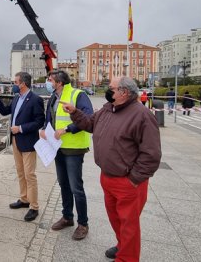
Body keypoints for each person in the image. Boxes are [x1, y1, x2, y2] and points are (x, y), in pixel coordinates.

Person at [61, 76, 161, 262]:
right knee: (116, 219)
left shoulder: (142, 115)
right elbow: (90, 124)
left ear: (124, 92)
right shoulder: (109, 108)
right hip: (108, 176)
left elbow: (151, 154)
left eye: (111, 88)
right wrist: (75, 112)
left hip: (128, 181)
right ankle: (122, 246)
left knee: (128, 224)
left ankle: (126, 258)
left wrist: (133, 179)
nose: (108, 90)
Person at [39, 70, 93, 240]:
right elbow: (50, 118)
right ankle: (67, 217)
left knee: (76, 187)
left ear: (60, 82)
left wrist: (68, 129)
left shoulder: (78, 95)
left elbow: (88, 118)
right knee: (63, 184)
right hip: (58, 147)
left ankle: (83, 223)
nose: (48, 82)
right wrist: (44, 129)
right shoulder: (54, 97)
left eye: (50, 80)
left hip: (74, 148)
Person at [0, 72, 45, 222]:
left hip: (28, 141)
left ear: (23, 84)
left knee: (30, 175)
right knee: (21, 173)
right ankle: (24, 199)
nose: (13, 84)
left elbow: (40, 121)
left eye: (15, 82)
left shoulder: (35, 99)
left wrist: (20, 128)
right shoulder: (16, 98)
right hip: (15, 141)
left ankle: (34, 207)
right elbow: (5, 111)